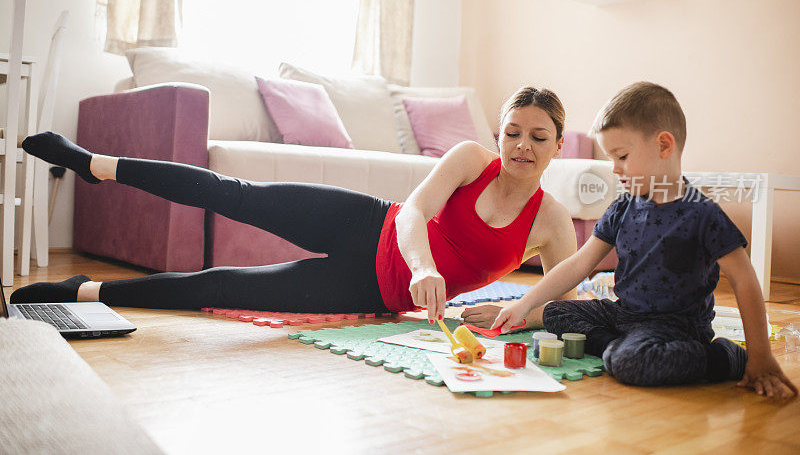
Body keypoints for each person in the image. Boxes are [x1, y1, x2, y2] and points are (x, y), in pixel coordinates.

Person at [12, 87, 578, 325]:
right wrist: (425, 266)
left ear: (558, 145)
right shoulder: (471, 159)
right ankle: (94, 164)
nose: (522, 146)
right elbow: (413, 212)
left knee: (219, 287)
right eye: (512, 132)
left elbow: (565, 305)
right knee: (230, 193)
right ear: (499, 135)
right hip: (366, 220)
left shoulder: (551, 222)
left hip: (367, 291)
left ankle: (83, 291)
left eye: (538, 136)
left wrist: (516, 311)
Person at [491, 82, 798, 398]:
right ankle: (619, 350)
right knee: (555, 312)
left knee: (631, 362)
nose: (614, 168)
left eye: (621, 156)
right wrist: (524, 304)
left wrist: (761, 357)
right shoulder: (624, 206)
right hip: (625, 316)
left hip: (676, 329)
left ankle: (724, 357)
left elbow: (745, 280)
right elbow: (579, 264)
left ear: (664, 146)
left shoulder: (701, 214)